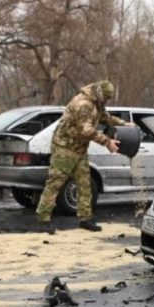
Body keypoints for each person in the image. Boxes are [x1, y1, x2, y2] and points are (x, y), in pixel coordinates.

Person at [36, 80, 126, 234]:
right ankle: (43, 218)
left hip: (80, 148)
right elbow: (86, 130)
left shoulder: (97, 103)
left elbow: (105, 117)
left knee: (84, 183)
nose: (106, 101)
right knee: (55, 183)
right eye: (106, 97)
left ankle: (85, 219)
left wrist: (124, 123)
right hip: (64, 147)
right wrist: (107, 142)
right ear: (100, 93)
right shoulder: (83, 104)